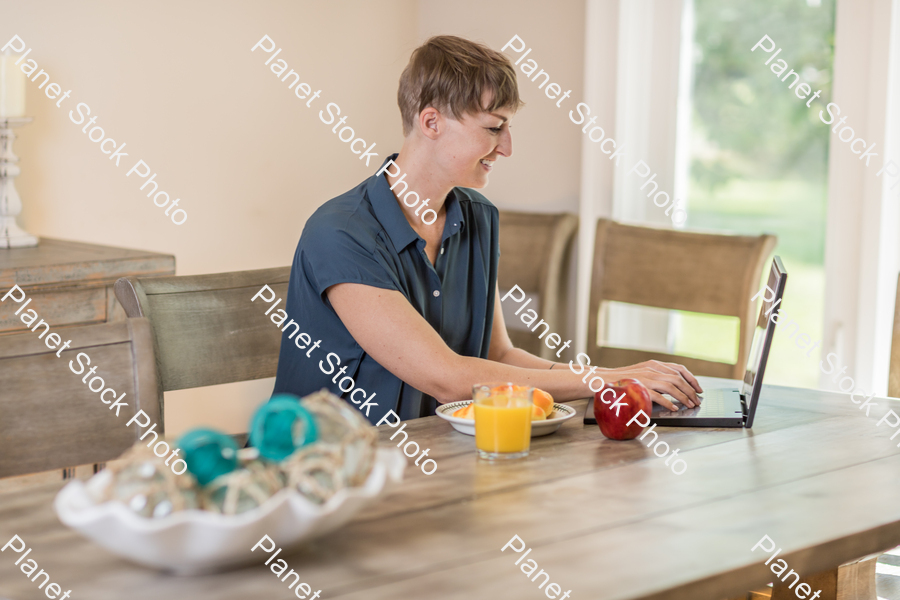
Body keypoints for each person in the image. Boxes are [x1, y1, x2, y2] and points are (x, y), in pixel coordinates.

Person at [272, 35, 702, 425]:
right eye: (494, 127)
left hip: (439, 459)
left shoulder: (478, 216)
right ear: (431, 122)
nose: (508, 147)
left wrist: (621, 383)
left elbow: (498, 355)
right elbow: (448, 378)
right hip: (329, 476)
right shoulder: (341, 233)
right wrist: (610, 378)